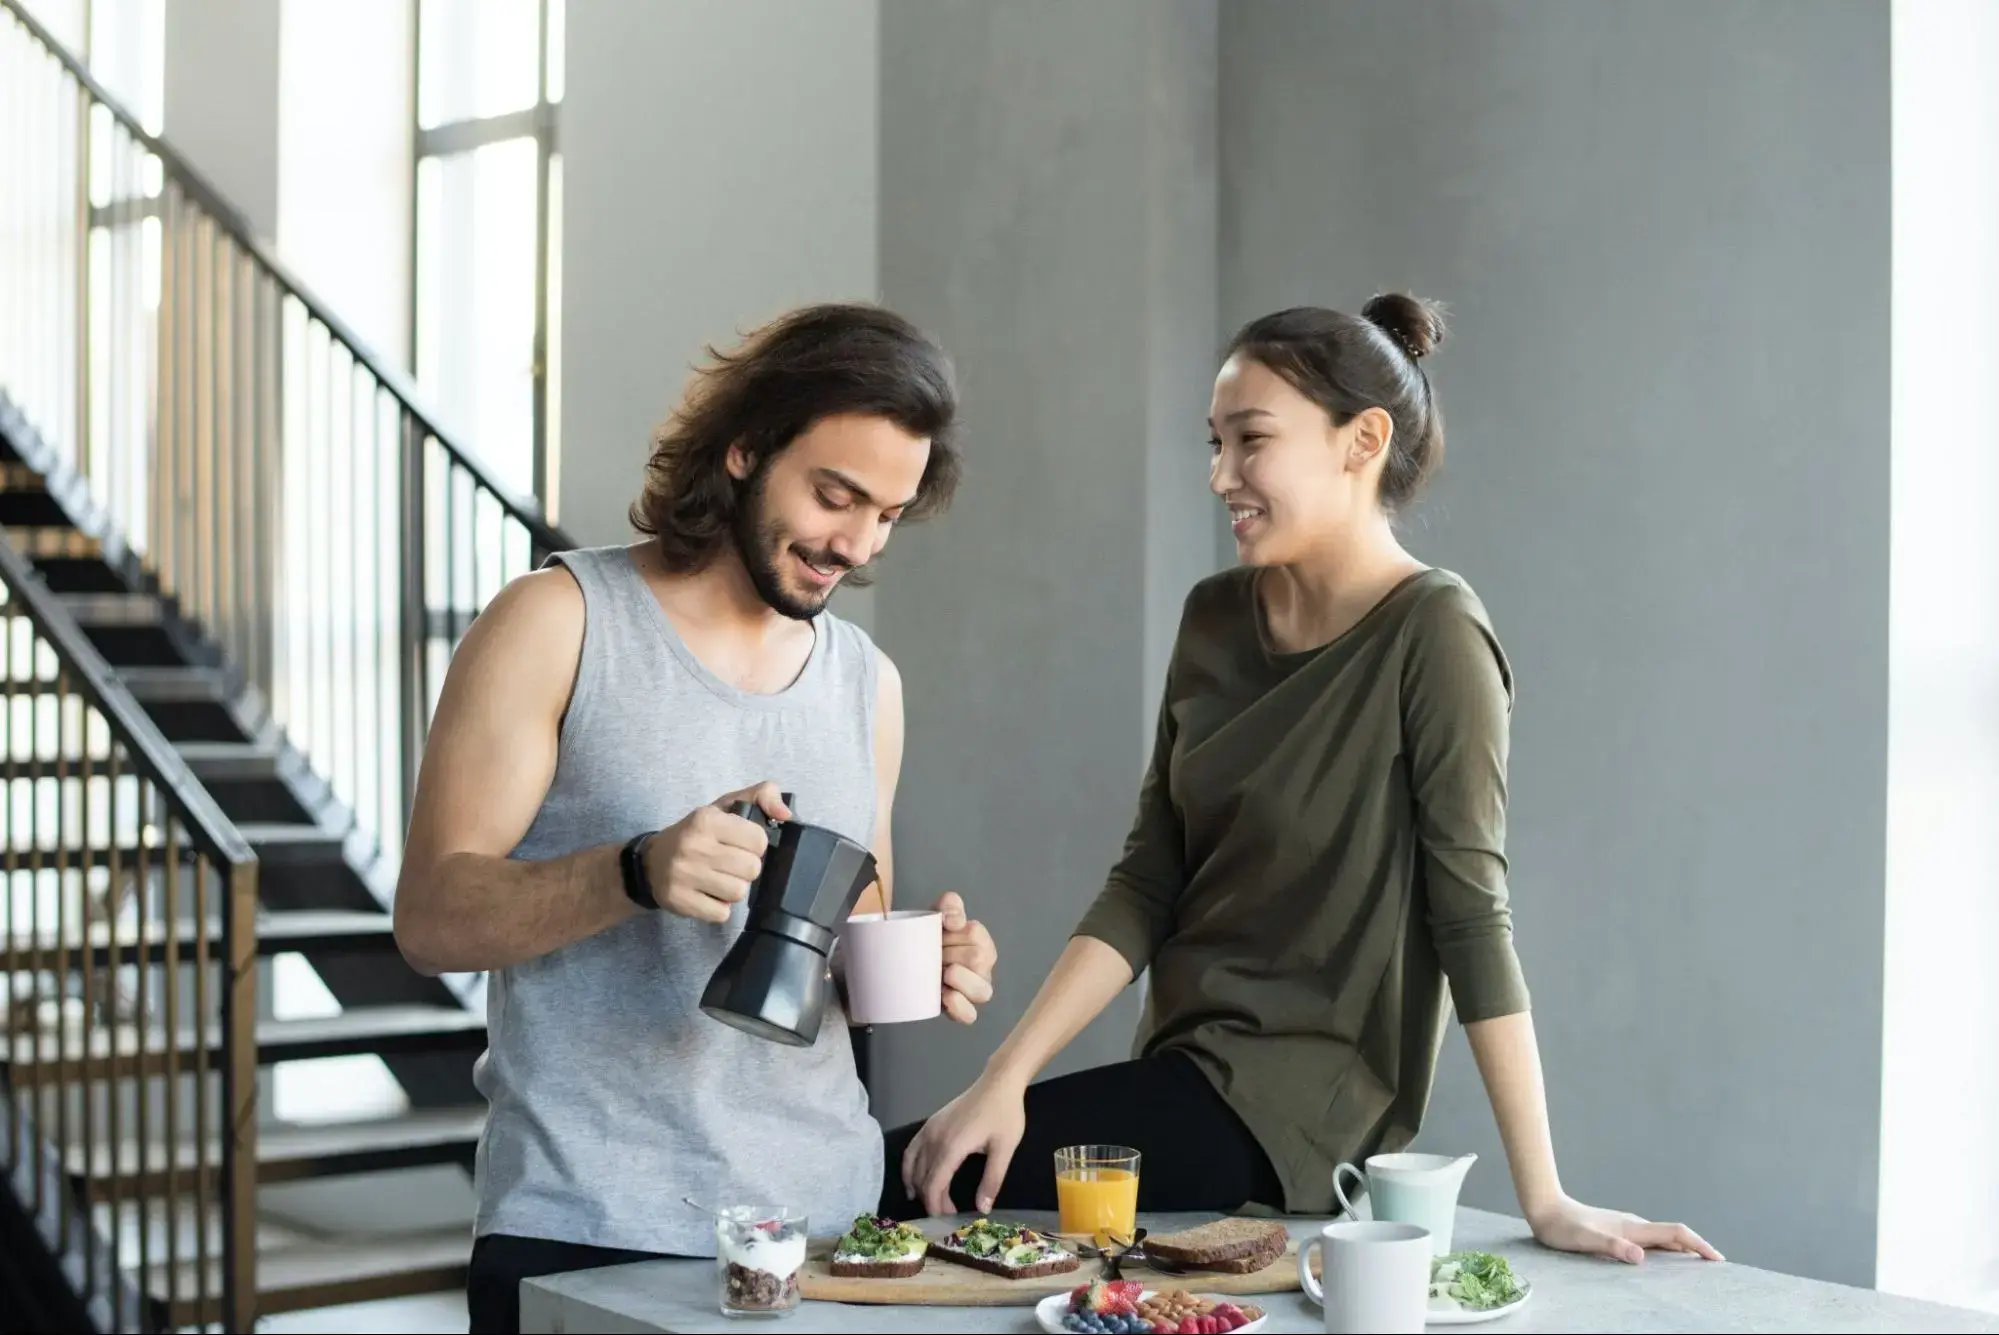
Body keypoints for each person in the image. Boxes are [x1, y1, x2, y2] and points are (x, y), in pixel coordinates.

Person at [882, 295, 1721, 1266]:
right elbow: (1146, 881)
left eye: (1250, 442)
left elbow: (1471, 920)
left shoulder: (1433, 635)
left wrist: (1545, 1196)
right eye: (1213, 443)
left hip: (1295, 1127)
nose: (1218, 476)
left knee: (898, 1178)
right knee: (924, 1176)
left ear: (1361, 440)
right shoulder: (1212, 620)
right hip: (1183, 1081)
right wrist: (1004, 1078)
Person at [392, 302, 1001, 1334]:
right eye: (834, 495)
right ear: (743, 448)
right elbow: (432, 919)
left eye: (887, 515)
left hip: (831, 1229)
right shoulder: (558, 621)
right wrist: (631, 872)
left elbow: (851, 943)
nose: (853, 544)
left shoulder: (868, 683)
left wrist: (931, 958)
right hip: (590, 1227)